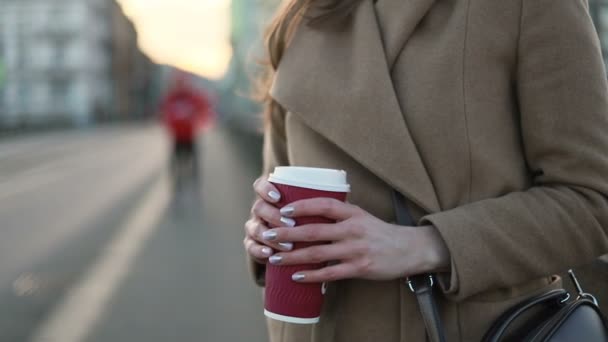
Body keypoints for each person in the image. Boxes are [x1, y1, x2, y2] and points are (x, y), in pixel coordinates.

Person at [243, 0, 608, 341]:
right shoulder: (302, 17)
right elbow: (279, 182)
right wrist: (265, 234)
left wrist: (426, 245)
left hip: (468, 327)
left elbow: (593, 199)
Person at [161, 74, 213, 165]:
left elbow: (203, 108)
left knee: (192, 155)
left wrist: (202, 120)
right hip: (178, 134)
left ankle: (190, 171)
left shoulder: (192, 97)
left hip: (189, 134)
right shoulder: (173, 97)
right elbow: (165, 110)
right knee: (177, 156)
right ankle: (179, 170)